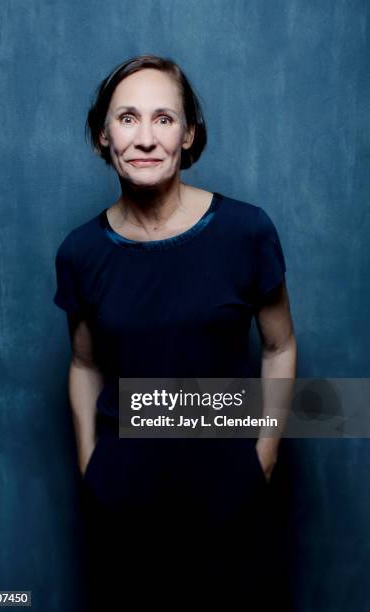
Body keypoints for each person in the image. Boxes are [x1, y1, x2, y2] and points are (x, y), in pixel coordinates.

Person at [53, 54, 297, 610]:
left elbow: (279, 347)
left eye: (164, 119)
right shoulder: (81, 252)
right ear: (102, 137)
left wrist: (264, 453)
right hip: (122, 502)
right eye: (127, 118)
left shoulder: (245, 230)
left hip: (228, 497)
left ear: (189, 135)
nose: (145, 137)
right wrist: (92, 463)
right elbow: (85, 364)